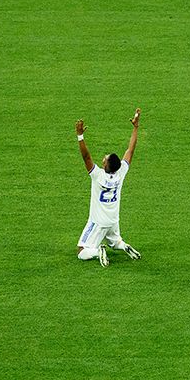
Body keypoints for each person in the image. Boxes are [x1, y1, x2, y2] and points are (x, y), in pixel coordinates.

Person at [75, 109, 143, 266]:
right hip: (113, 220)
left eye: (105, 159)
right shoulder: (121, 173)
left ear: (105, 165)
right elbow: (130, 150)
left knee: (81, 250)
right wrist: (135, 127)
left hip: (98, 222)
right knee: (115, 241)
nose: (103, 158)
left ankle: (97, 251)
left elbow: (86, 157)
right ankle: (123, 246)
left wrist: (80, 135)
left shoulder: (98, 175)